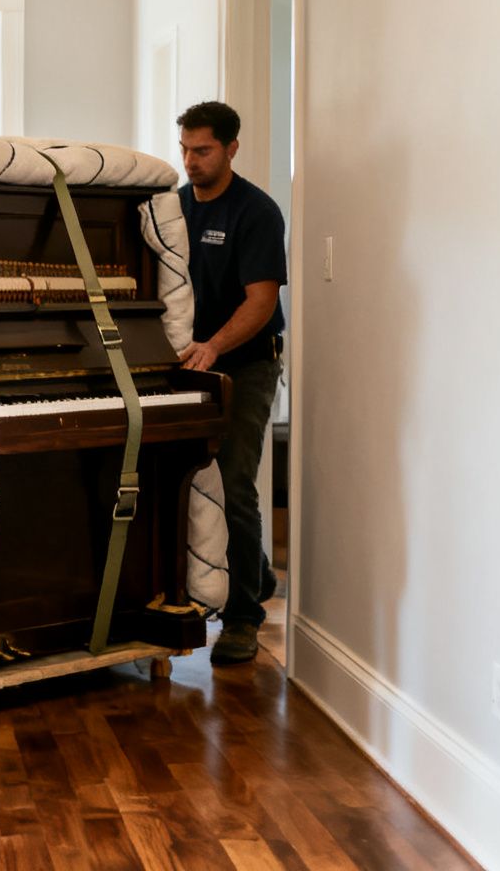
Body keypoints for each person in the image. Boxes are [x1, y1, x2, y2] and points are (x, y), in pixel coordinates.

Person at [174, 100, 288, 666]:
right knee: (183, 476)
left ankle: (244, 617)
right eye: (185, 150)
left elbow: (261, 302)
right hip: (191, 362)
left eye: (203, 150)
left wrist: (215, 345)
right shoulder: (173, 208)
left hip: (245, 363)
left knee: (235, 481)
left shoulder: (256, 212)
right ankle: (254, 571)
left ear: (231, 148)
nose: (191, 161)